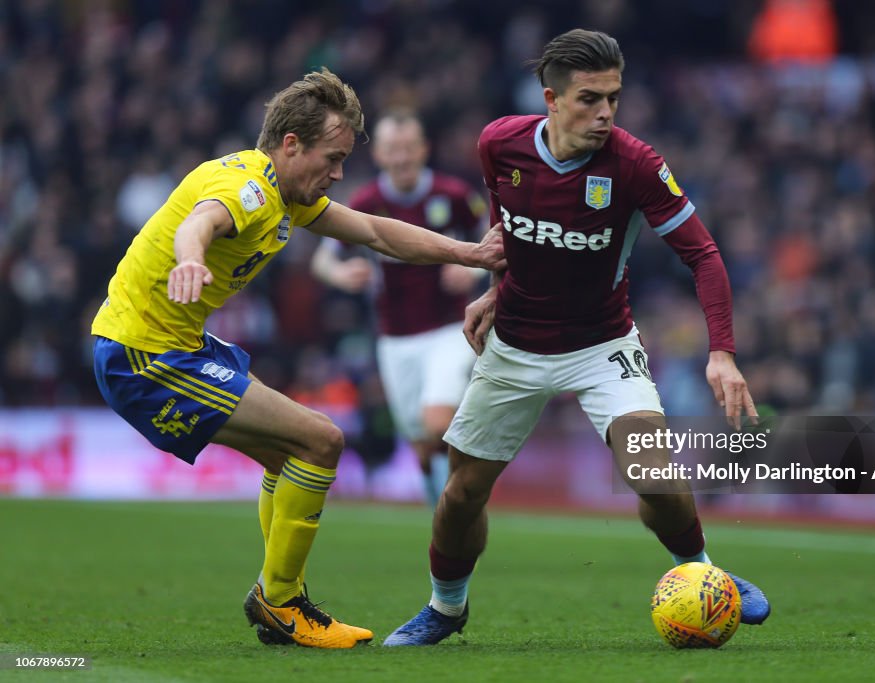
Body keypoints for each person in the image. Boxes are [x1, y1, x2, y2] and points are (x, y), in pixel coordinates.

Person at [90, 68, 504, 650]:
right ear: (291, 145)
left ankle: (281, 597)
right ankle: (280, 600)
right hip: (145, 356)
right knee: (322, 439)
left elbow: (377, 233)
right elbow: (200, 221)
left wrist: (470, 252)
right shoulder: (250, 188)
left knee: (289, 456)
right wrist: (190, 259)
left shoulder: (287, 193)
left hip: (171, 346)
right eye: (331, 158)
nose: (337, 174)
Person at [383, 29, 770, 646]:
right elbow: (508, 224)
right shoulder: (498, 144)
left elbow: (703, 254)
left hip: (602, 344)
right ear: (552, 99)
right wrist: (494, 285)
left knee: (655, 473)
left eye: (614, 97)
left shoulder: (636, 164)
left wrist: (721, 352)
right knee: (461, 495)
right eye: (590, 98)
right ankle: (445, 609)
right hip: (513, 345)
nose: (606, 112)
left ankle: (700, 570)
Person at [311, 112, 486, 508]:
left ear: (423, 150)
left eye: (409, 148)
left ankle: (456, 513)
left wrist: (471, 270)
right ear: (380, 155)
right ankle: (437, 504)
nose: (402, 158)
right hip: (394, 340)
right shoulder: (366, 203)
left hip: (449, 330)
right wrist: (341, 274)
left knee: (437, 422)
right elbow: (322, 261)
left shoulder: (454, 196)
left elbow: (494, 241)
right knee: (422, 443)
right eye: (393, 149)